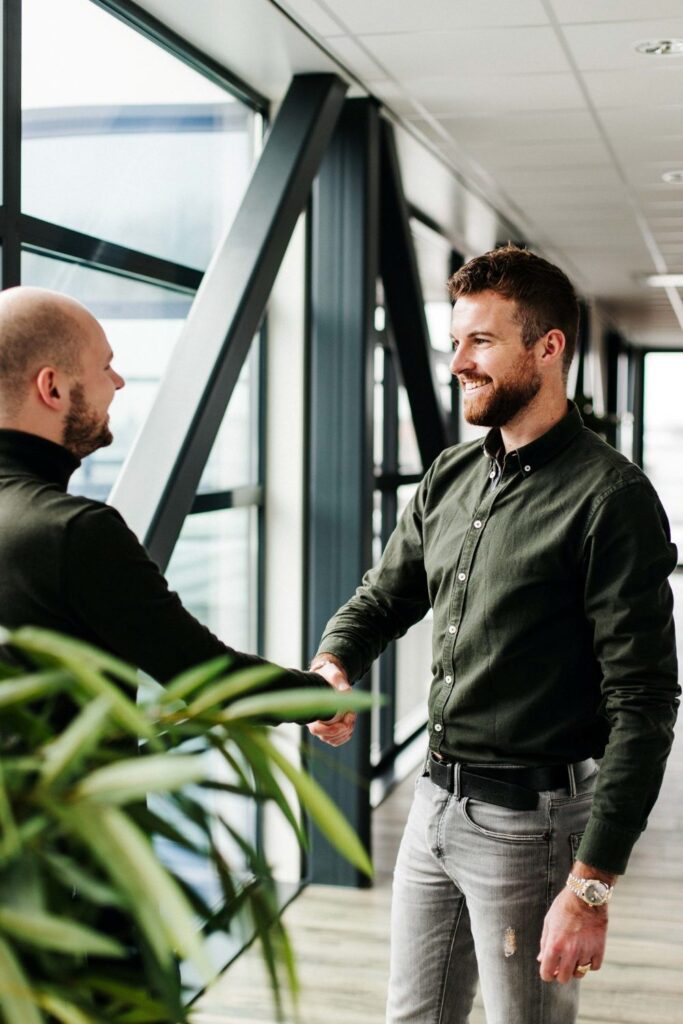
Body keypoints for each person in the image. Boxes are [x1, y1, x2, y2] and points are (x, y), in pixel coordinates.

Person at [307, 245, 679, 1024]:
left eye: (480, 342)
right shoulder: (448, 475)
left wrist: (590, 885)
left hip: (531, 830)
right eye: (453, 343)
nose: (457, 364)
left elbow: (642, 706)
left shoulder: (611, 500)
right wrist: (334, 660)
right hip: (432, 807)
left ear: (548, 348)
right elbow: (383, 596)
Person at [0, 285, 346, 718]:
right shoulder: (73, 532)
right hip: (67, 790)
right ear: (51, 388)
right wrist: (325, 696)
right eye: (106, 366)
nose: (119, 382)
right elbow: (208, 679)